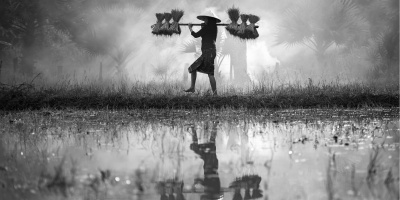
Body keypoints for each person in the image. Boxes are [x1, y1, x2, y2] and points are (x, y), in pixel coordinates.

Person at [184, 11, 220, 95]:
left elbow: (196, 35)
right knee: (194, 68)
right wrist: (203, 26)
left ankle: (215, 94)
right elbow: (205, 34)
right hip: (210, 51)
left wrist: (190, 28)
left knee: (210, 73)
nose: (204, 20)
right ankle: (193, 88)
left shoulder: (206, 28)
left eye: (205, 19)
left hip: (208, 52)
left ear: (209, 20)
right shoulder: (214, 28)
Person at [188, 121, 223, 200]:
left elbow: (203, 182)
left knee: (195, 147)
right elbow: (204, 182)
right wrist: (197, 183)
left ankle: (193, 127)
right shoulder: (214, 192)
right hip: (211, 165)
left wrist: (197, 183)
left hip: (208, 164)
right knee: (211, 144)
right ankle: (215, 124)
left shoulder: (212, 192)